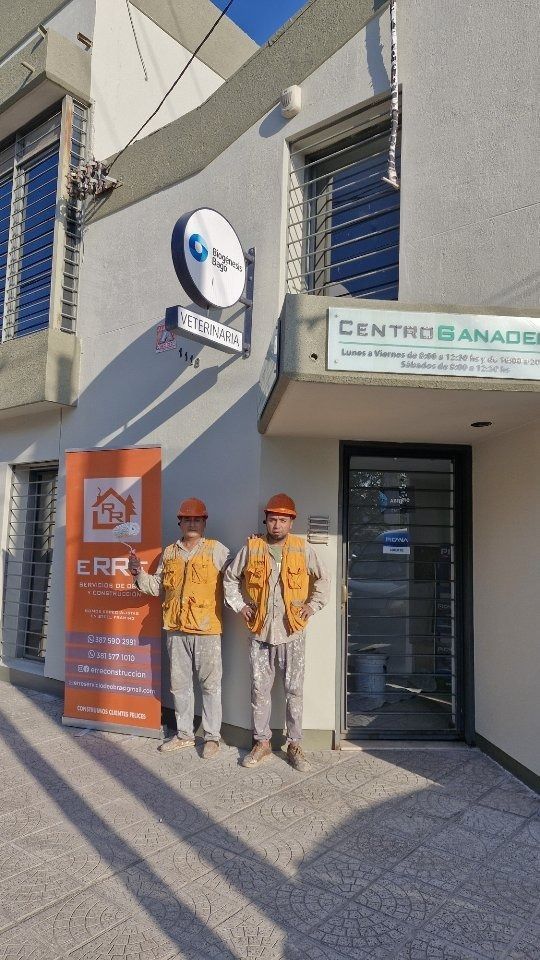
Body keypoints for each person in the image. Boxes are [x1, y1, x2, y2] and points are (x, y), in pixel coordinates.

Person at [224, 493, 329, 772]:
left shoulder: (302, 549)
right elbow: (230, 578)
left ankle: (295, 745)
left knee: (294, 690)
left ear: (291, 523)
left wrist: (312, 605)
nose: (277, 525)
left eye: (283, 520)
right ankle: (262, 743)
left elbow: (323, 579)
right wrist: (239, 605)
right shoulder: (252, 547)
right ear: (266, 521)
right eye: (273, 520)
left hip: (292, 631)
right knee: (260, 690)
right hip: (260, 631)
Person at [128, 498, 229, 757]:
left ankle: (212, 737)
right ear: (180, 523)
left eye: (197, 519)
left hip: (207, 629)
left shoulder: (217, 550)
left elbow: (235, 578)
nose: (192, 523)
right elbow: (157, 586)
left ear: (204, 523)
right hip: (175, 628)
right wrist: (138, 573)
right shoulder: (169, 553)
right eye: (187, 519)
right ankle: (184, 734)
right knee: (180, 685)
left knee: (210, 685)